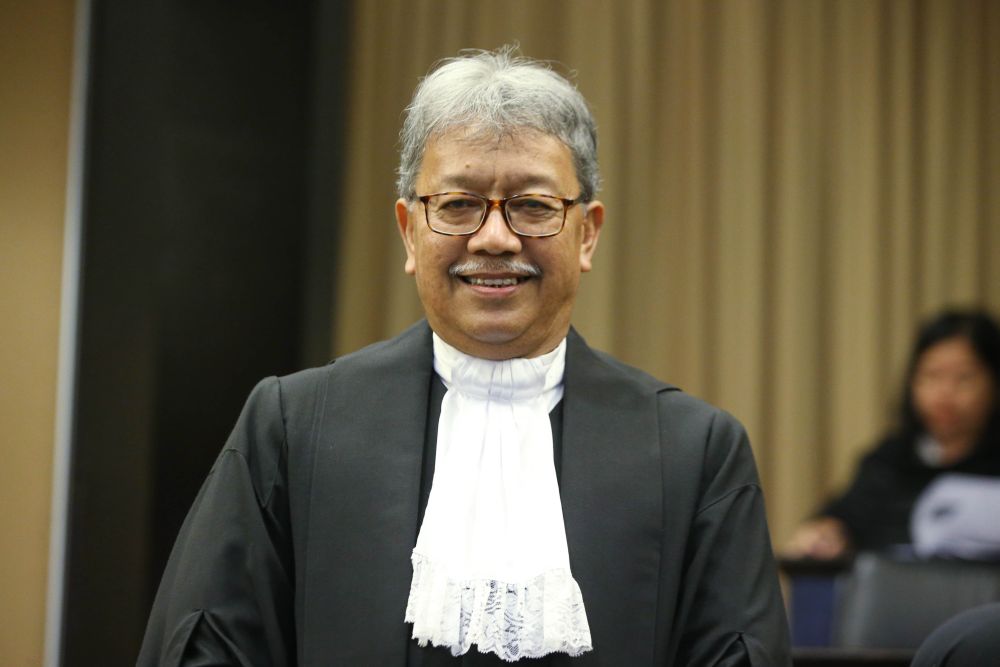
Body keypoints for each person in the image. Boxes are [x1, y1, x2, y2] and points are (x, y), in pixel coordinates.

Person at [138, 47, 790, 666]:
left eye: (533, 205)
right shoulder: (291, 427)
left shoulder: (693, 451)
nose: (496, 237)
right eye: (458, 205)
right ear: (409, 230)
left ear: (587, 233)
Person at [784, 309, 1000, 560]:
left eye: (964, 378)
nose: (945, 393)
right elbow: (844, 516)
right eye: (932, 376)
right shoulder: (890, 459)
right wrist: (825, 533)